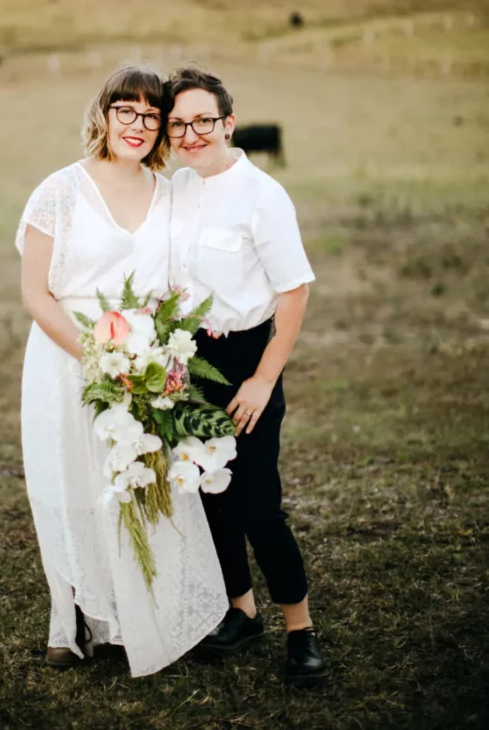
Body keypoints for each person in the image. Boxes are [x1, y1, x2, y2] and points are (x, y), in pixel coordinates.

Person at [15, 65, 228, 678]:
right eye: (125, 111)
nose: (137, 125)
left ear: (162, 127)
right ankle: (69, 618)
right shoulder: (59, 190)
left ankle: (136, 615)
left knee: (135, 481)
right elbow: (35, 293)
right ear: (103, 115)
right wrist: (101, 356)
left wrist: (154, 359)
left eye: (150, 115)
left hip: (147, 359)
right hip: (68, 357)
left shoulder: (169, 193)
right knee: (69, 484)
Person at [165, 65, 327, 684]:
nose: (191, 134)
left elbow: (294, 293)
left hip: (247, 360)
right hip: (187, 359)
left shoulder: (264, 195)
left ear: (229, 123)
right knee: (211, 493)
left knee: (260, 505)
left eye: (203, 121)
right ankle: (241, 608)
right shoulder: (176, 187)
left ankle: (300, 629)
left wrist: (262, 380)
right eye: (178, 124)